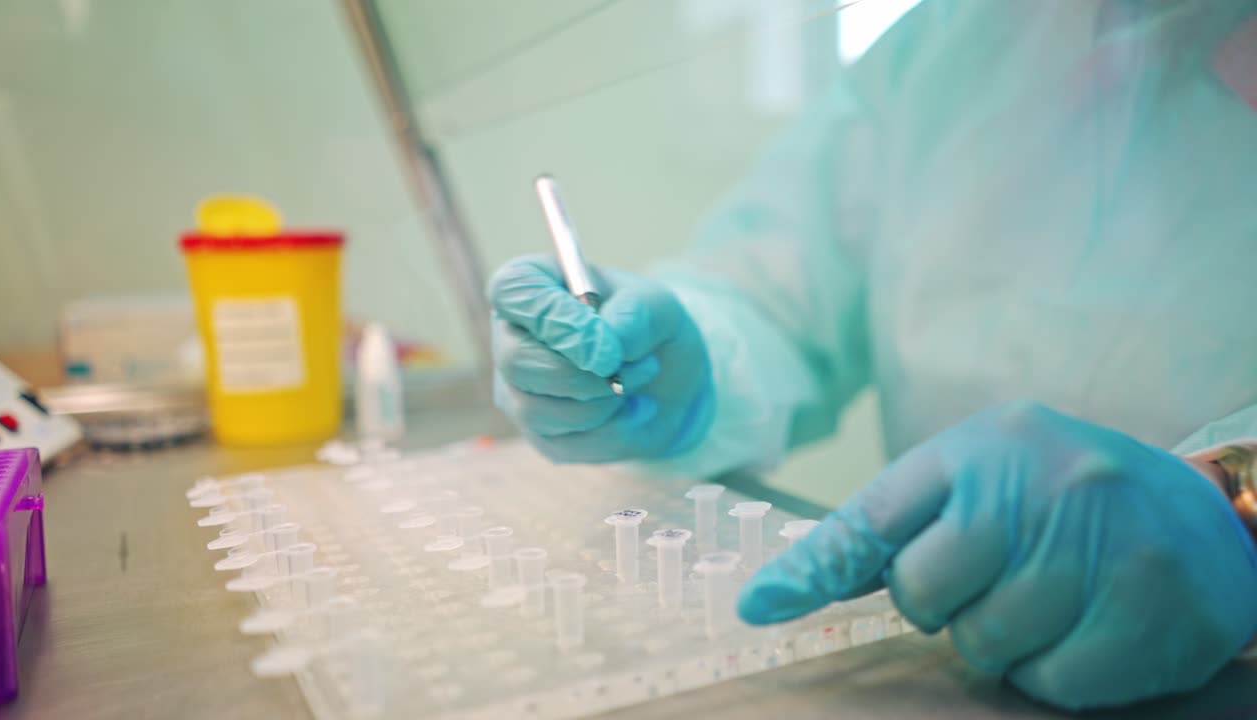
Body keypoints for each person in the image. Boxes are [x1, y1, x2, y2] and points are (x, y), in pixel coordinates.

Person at [487, 0, 1257, 711]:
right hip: (956, 651)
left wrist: (1236, 502)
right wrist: (678, 354)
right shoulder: (948, 39)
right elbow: (777, 288)